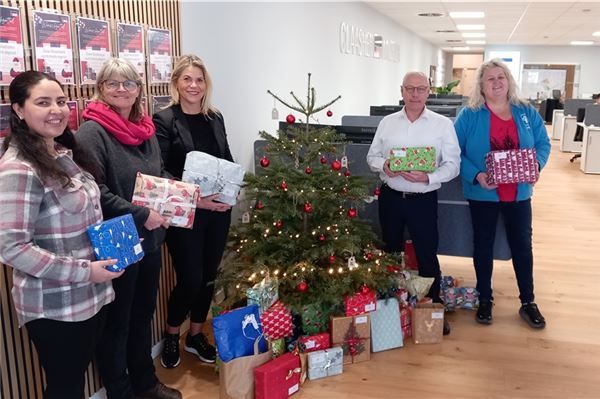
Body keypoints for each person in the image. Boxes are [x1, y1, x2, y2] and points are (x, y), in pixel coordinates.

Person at [0, 71, 122, 399]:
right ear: (19, 110)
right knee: (65, 388)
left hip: (92, 295)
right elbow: (11, 247)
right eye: (43, 102)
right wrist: (86, 271)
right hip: (56, 306)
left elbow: (84, 215)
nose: (57, 109)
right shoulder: (19, 168)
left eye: (60, 101)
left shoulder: (62, 154)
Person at [76, 58, 181, 399]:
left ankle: (145, 383)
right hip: (117, 238)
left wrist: (180, 194)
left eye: (129, 84)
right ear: (101, 90)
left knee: (142, 315)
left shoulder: (145, 129)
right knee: (118, 322)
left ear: (139, 90)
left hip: (149, 236)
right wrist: (141, 214)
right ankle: (120, 391)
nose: (121, 90)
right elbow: (96, 191)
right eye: (112, 83)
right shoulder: (92, 132)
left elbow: (158, 174)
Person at [454, 59, 551, 329]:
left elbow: (543, 143)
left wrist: (537, 165)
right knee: (483, 246)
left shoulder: (526, 112)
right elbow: (454, 151)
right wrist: (475, 174)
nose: (497, 83)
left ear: (509, 81)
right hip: (483, 193)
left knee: (522, 246)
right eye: (490, 79)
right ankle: (484, 298)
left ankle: (528, 301)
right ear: (482, 86)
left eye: (501, 77)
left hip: (519, 194)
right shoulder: (470, 115)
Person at [153, 55, 233, 368]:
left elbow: (226, 158)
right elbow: (159, 169)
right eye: (187, 79)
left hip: (218, 211)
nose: (193, 86)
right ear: (176, 83)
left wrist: (231, 190)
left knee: (210, 277)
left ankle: (196, 335)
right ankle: (173, 333)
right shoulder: (164, 120)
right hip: (184, 212)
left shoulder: (215, 117)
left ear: (205, 84)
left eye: (199, 80)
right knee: (191, 278)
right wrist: (196, 197)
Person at [367, 71, 460, 335]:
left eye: (421, 89)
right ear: (402, 91)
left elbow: (453, 165)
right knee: (391, 252)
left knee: (427, 253)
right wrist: (384, 165)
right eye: (410, 89)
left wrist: (428, 176)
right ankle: (390, 308)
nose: (415, 94)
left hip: (423, 199)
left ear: (429, 92)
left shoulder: (442, 125)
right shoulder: (387, 123)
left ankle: (434, 308)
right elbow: (372, 157)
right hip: (391, 197)